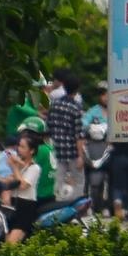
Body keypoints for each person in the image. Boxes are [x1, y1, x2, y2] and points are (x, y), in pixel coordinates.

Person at [44, 73, 84, 202]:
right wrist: (80, 156)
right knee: (78, 182)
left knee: (58, 180)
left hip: (57, 149)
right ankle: (76, 206)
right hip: (72, 151)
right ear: (77, 89)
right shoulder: (76, 108)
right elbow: (78, 134)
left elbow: (48, 127)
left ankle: (57, 204)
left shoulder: (54, 105)